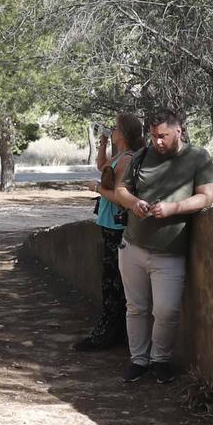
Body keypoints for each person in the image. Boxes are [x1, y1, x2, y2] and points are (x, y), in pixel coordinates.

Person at [113, 108, 213, 384]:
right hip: (133, 245)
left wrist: (174, 208)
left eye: (163, 136)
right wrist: (133, 203)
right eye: (153, 136)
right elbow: (121, 190)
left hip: (170, 251)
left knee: (167, 310)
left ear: (179, 131)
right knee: (135, 307)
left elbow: (206, 197)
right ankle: (138, 360)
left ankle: (160, 360)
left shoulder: (198, 157)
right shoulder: (141, 156)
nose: (157, 141)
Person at [74, 111, 144, 351]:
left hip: (117, 227)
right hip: (109, 225)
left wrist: (96, 188)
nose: (111, 131)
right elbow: (102, 165)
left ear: (123, 134)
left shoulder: (127, 159)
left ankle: (108, 333)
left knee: (114, 282)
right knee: (111, 279)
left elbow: (120, 197)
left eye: (114, 129)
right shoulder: (121, 156)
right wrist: (102, 143)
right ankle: (113, 331)